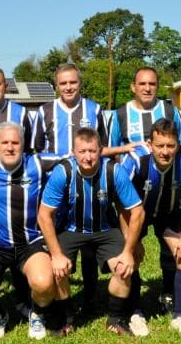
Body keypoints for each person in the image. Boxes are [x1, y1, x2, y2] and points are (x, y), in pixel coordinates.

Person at [38, 128, 145, 336]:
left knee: (124, 268)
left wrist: (128, 252)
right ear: (73, 152)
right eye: (82, 151)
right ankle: (67, 316)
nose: (88, 157)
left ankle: (115, 318)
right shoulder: (63, 172)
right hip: (71, 229)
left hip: (105, 229)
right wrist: (57, 255)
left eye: (93, 151)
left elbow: (137, 212)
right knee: (55, 270)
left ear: (101, 151)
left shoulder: (114, 171)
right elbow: (44, 215)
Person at [33, 63, 122, 315]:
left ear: (79, 83)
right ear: (56, 86)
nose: (69, 87)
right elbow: (38, 151)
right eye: (63, 83)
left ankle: (91, 297)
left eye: (73, 82)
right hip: (59, 187)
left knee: (90, 243)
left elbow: (103, 147)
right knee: (61, 240)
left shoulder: (94, 109)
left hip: (90, 183)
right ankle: (62, 299)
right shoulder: (44, 111)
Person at [0, 122, 60, 340]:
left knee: (44, 284)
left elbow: (77, 157)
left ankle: (37, 313)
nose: (10, 147)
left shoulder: (36, 162)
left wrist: (115, 151)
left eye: (15, 142)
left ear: (23, 145)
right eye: (4, 143)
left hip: (30, 243)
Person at [121, 119, 181, 336]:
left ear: (178, 144)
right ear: (150, 144)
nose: (166, 152)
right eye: (160, 146)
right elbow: (120, 202)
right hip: (136, 215)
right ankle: (135, 311)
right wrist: (131, 242)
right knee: (129, 256)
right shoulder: (134, 159)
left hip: (170, 213)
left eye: (171, 146)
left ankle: (178, 314)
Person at [112, 67, 181, 312]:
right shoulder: (120, 114)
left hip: (167, 194)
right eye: (142, 83)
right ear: (133, 86)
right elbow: (112, 152)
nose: (147, 88)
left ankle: (168, 293)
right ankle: (133, 301)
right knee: (131, 248)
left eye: (152, 84)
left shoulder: (169, 110)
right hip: (136, 198)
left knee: (174, 250)